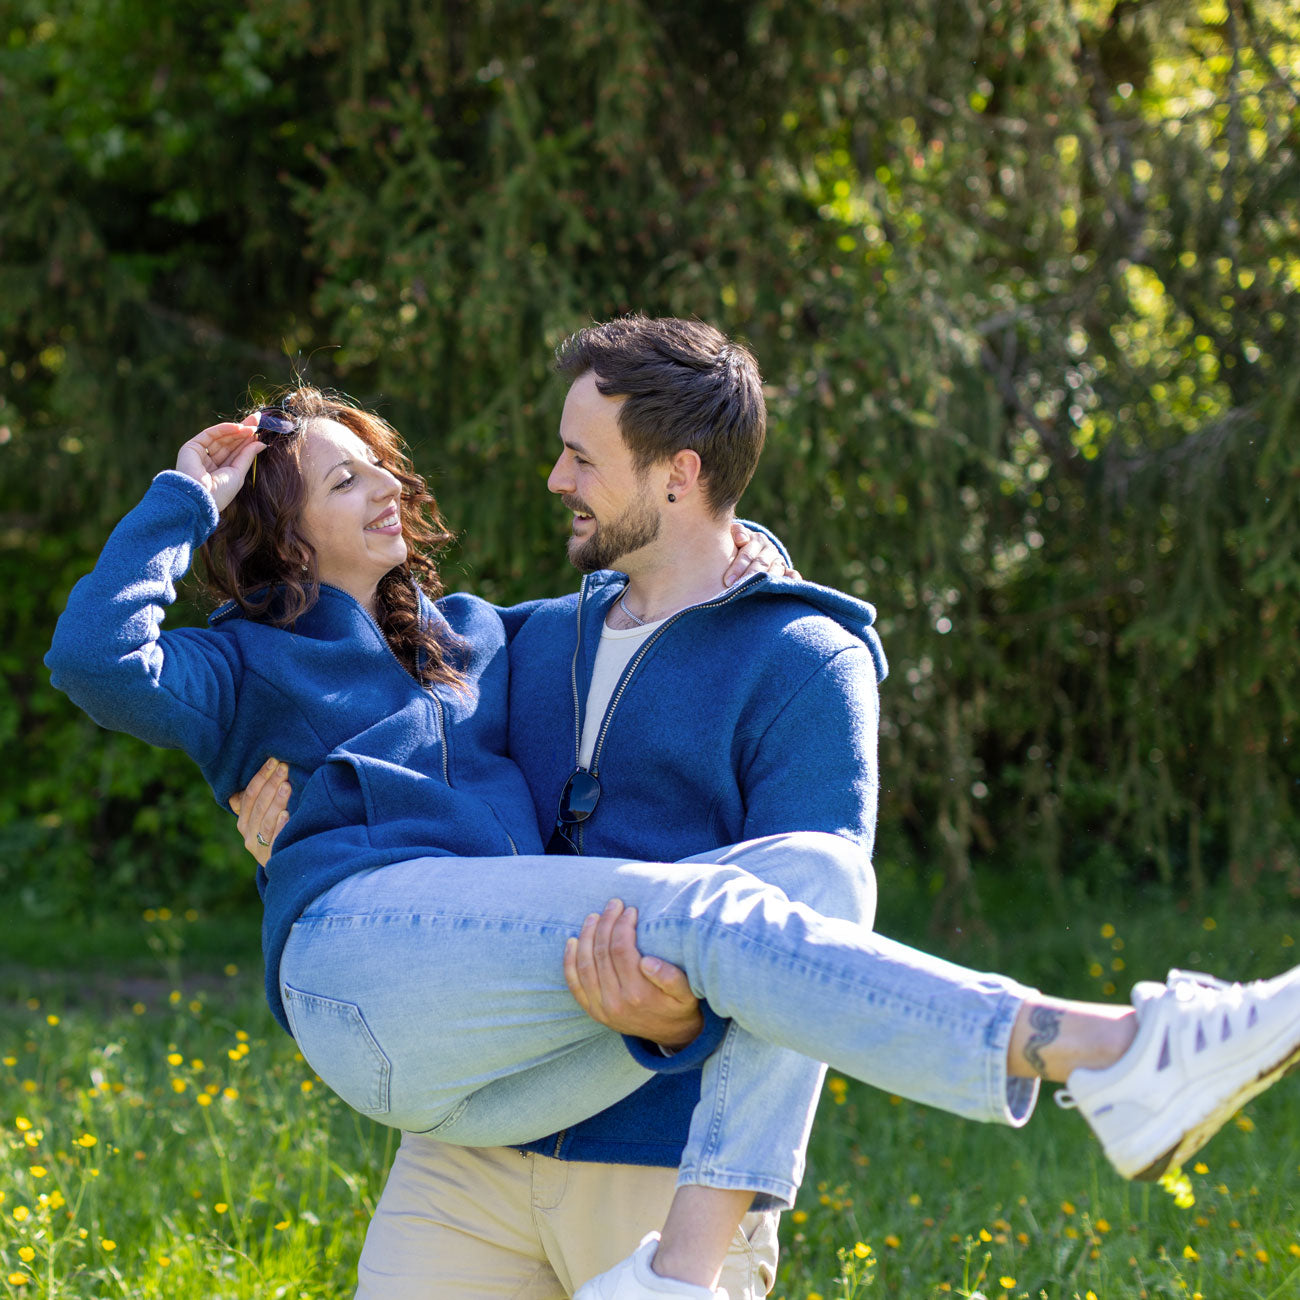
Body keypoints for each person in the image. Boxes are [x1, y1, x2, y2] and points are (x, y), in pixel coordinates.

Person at [46, 375, 1300, 1300]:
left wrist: (751, 547)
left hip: (504, 1043)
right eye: (341, 479)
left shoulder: (487, 636)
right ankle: (1111, 1047)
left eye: (379, 466)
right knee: (713, 912)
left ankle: (677, 1271)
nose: (383, 486)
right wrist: (185, 490)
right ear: (278, 524)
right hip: (360, 973)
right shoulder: (242, 663)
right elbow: (95, 659)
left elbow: (669, 594)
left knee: (810, 877)